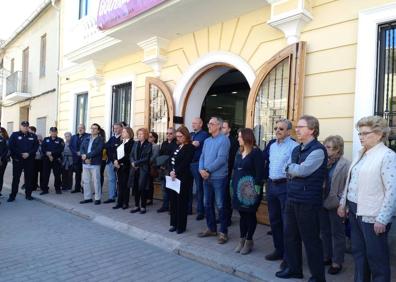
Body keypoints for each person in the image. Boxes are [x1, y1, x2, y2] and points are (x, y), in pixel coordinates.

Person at [338, 116, 396, 282]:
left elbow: (392, 190)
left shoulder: (387, 156)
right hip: (355, 210)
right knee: (359, 254)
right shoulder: (361, 153)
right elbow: (351, 181)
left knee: (377, 258)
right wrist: (343, 204)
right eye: (359, 133)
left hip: (373, 215)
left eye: (365, 133)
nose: (361, 137)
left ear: (379, 135)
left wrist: (383, 219)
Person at [276, 115, 327, 282]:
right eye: (297, 126)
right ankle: (294, 269)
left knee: (311, 240)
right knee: (290, 235)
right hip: (292, 197)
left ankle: (318, 277)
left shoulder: (318, 150)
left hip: (308, 201)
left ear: (312, 130)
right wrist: (292, 169)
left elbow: (302, 171)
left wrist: (291, 168)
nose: (297, 129)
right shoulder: (297, 149)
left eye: (301, 127)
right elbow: (290, 169)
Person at [265, 119, 298, 268]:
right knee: (274, 220)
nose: (277, 131)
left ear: (289, 131)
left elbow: (290, 167)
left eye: (281, 129)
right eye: (276, 128)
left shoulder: (294, 146)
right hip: (271, 185)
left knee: (287, 223)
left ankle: (288, 256)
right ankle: (278, 249)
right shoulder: (272, 145)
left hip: (285, 186)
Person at [319, 135, 350, 275]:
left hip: (337, 204)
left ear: (338, 150)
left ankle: (337, 262)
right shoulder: (323, 162)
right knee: (324, 231)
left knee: (337, 234)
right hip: (321, 202)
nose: (325, 149)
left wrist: (343, 205)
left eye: (328, 147)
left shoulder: (346, 165)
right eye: (324, 146)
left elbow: (348, 187)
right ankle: (327, 256)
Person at [232, 128, 265, 255]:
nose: (238, 138)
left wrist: (256, 190)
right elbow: (235, 169)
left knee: (250, 215)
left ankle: (249, 240)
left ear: (246, 137)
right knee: (242, 215)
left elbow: (259, 173)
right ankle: (242, 239)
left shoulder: (256, 153)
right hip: (238, 189)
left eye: (240, 136)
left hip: (250, 190)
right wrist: (232, 184)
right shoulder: (239, 151)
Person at [198, 117, 230, 244]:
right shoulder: (206, 141)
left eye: (211, 124)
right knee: (207, 204)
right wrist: (201, 170)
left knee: (221, 205)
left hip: (218, 178)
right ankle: (211, 228)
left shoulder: (224, 140)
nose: (209, 125)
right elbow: (202, 157)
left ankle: (223, 232)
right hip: (206, 177)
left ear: (219, 126)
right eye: (208, 123)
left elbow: (221, 159)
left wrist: (207, 170)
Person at [168, 126, 195, 234]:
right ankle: (174, 224)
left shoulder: (190, 147)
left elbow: (185, 163)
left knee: (181, 203)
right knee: (173, 201)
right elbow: (170, 160)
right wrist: (171, 171)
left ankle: (181, 226)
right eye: (177, 136)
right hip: (173, 178)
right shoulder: (177, 146)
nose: (178, 138)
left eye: (180, 136)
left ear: (186, 135)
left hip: (183, 178)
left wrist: (176, 172)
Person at [7, 121, 39, 201]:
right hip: (18, 159)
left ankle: (28, 195)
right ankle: (12, 196)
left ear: (28, 127)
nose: (25, 127)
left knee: (29, 178)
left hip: (29, 160)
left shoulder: (33, 136)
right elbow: (11, 146)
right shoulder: (15, 135)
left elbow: (36, 147)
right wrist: (21, 154)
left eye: (26, 126)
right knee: (16, 178)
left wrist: (28, 153)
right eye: (23, 126)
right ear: (20, 126)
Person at [80, 123, 105, 205]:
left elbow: (97, 150)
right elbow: (82, 148)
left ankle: (97, 198)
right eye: (92, 128)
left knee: (96, 181)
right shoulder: (86, 138)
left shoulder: (100, 139)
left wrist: (87, 156)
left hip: (95, 163)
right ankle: (87, 198)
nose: (93, 130)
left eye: (95, 128)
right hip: (85, 163)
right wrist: (85, 157)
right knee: (86, 181)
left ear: (98, 130)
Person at [190, 118, 209, 220]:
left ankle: (200, 211)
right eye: (192, 123)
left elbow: (195, 145)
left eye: (195, 123)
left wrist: (189, 143)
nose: (193, 125)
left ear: (201, 124)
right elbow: (187, 144)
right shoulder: (191, 134)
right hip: (189, 163)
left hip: (198, 164)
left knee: (199, 189)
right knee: (188, 187)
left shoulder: (204, 134)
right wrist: (190, 143)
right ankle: (188, 208)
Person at [130, 128, 152, 214]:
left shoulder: (148, 144)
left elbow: (147, 158)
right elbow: (131, 155)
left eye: (141, 134)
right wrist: (132, 162)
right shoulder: (135, 143)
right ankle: (136, 206)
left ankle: (143, 206)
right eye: (138, 134)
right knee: (135, 187)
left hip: (143, 169)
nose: (139, 135)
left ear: (145, 135)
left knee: (143, 188)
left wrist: (136, 163)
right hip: (135, 169)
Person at [222, 120, 239, 226]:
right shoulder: (219, 139)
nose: (222, 129)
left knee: (227, 196)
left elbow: (233, 158)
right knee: (220, 197)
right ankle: (222, 216)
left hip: (229, 172)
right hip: (219, 172)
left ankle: (227, 218)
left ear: (229, 129)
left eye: (224, 127)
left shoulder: (234, 141)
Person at [113, 127, 134, 210]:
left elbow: (128, 155)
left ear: (129, 133)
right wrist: (115, 160)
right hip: (118, 166)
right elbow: (115, 152)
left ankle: (125, 203)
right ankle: (119, 202)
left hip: (126, 167)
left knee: (125, 185)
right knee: (120, 185)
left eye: (124, 131)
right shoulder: (121, 142)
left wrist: (118, 161)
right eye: (122, 131)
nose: (122, 133)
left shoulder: (132, 143)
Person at [157, 128, 177, 213]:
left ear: (175, 134)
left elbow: (173, 156)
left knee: (171, 189)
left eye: (171, 133)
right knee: (164, 188)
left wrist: (166, 165)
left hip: (171, 169)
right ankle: (165, 206)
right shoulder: (164, 143)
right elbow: (160, 154)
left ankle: (172, 207)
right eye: (167, 133)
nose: (168, 135)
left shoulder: (176, 143)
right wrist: (160, 165)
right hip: (163, 169)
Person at [40, 127, 65, 195]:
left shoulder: (60, 140)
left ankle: (58, 189)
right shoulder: (46, 139)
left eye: (55, 131)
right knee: (45, 174)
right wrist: (48, 155)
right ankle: (44, 189)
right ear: (50, 132)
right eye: (52, 131)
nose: (53, 133)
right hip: (46, 159)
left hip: (56, 160)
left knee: (57, 175)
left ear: (57, 132)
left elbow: (60, 150)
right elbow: (43, 148)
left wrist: (51, 153)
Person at [104, 122, 123, 204]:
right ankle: (111, 196)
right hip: (110, 162)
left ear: (121, 128)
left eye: (117, 128)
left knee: (120, 180)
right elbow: (106, 147)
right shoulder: (112, 138)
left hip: (119, 162)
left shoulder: (123, 138)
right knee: (111, 179)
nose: (115, 130)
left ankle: (120, 197)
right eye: (114, 128)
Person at [70, 124, 90, 193]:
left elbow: (89, 146)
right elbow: (71, 146)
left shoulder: (88, 136)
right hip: (76, 158)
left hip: (85, 158)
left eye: (82, 128)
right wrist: (76, 152)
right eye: (79, 128)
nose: (80, 129)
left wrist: (81, 153)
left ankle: (85, 188)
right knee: (77, 174)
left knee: (85, 175)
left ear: (84, 129)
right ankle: (77, 188)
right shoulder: (73, 137)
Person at [148, 131, 160, 205]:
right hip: (145, 166)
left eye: (151, 137)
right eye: (148, 136)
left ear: (154, 138)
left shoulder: (156, 146)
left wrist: (146, 161)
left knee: (150, 183)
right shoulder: (147, 145)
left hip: (151, 166)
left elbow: (154, 157)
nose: (149, 138)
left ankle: (150, 199)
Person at [0, 127, 10, 198]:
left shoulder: (3, 139)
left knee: (0, 176)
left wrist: (1, 158)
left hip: (3, 160)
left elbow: (6, 150)